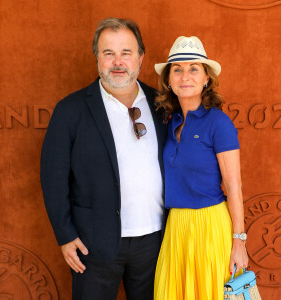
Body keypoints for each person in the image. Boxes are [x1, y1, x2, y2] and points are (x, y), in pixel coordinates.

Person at [40, 17, 167, 300]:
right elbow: (53, 177)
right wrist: (65, 235)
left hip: (156, 241)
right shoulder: (70, 110)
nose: (118, 62)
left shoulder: (162, 104)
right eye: (108, 53)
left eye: (126, 52)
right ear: (97, 57)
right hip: (92, 243)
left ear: (141, 58)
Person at [153, 36, 249, 300]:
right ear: (169, 80)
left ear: (206, 78)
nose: (185, 76)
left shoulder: (219, 123)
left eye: (194, 68)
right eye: (178, 69)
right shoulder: (169, 123)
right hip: (176, 229)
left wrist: (238, 242)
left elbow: (233, 185)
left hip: (210, 226)